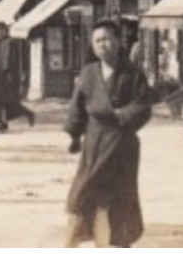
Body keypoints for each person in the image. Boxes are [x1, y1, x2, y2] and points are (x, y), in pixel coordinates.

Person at [64, 18, 153, 247]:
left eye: (106, 38)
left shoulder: (133, 73)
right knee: (85, 192)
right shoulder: (88, 73)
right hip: (95, 142)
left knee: (120, 197)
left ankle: (116, 244)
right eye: (97, 40)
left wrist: (121, 115)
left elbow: (143, 106)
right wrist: (74, 134)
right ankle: (79, 239)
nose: (102, 44)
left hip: (123, 144)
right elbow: (77, 106)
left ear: (117, 41)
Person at [0, 21, 36, 132]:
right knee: (2, 101)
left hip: (6, 76)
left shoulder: (9, 43)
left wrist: (6, 76)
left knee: (5, 101)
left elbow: (6, 61)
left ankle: (26, 114)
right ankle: (3, 122)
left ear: (4, 31)